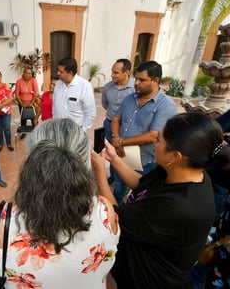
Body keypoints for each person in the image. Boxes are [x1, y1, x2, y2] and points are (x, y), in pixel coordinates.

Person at [92, 112, 228, 289]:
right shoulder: (180, 171)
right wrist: (114, 159)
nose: (155, 143)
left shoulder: (178, 206)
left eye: (159, 140)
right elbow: (142, 184)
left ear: (175, 156)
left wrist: (100, 174)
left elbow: (114, 218)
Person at [0, 118, 120, 288]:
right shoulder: (104, 211)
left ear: (30, 164)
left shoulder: (2, 221)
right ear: (85, 163)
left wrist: (28, 183)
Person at [111, 60, 177, 204]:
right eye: (136, 78)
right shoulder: (130, 98)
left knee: (140, 195)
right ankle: (114, 216)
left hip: (144, 162)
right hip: (121, 155)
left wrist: (121, 142)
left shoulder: (166, 105)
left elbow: (153, 135)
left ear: (155, 81)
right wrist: (116, 139)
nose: (136, 83)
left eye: (142, 80)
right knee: (118, 188)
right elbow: (116, 118)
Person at [101, 58, 134, 184]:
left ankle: (123, 180)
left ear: (126, 72)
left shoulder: (135, 88)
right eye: (112, 72)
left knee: (124, 155)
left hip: (126, 127)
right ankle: (113, 177)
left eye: (116, 73)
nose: (112, 75)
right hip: (109, 124)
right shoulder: (108, 87)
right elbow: (105, 104)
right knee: (110, 152)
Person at [52, 57, 96, 131]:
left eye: (61, 72)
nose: (58, 73)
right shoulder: (58, 84)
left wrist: (82, 131)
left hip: (75, 132)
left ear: (70, 73)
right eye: (58, 70)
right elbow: (55, 106)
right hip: (58, 130)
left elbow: (90, 113)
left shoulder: (85, 86)